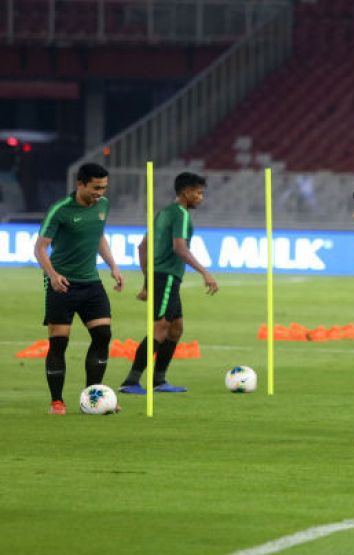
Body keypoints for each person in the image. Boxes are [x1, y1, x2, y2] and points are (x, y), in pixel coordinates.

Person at [33, 162, 125, 414]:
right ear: (80, 184)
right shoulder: (60, 210)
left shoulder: (103, 206)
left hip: (91, 282)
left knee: (103, 335)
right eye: (96, 187)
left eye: (104, 188)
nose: (100, 193)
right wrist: (52, 275)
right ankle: (57, 402)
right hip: (62, 284)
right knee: (59, 342)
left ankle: (93, 398)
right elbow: (40, 248)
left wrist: (113, 266)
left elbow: (99, 237)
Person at [119, 172, 219, 394]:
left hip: (161, 278)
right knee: (161, 327)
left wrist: (147, 283)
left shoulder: (162, 213)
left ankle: (159, 380)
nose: (201, 198)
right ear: (186, 192)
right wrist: (205, 272)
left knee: (176, 328)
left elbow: (142, 247)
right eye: (199, 193)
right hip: (166, 277)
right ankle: (131, 380)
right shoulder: (181, 215)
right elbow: (180, 248)